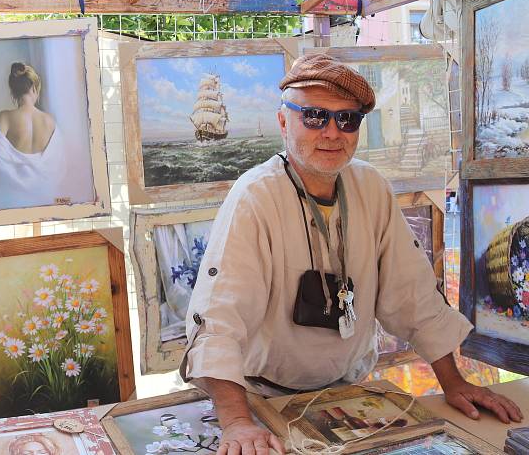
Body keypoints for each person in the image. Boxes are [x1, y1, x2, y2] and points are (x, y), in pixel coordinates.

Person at [178, 53, 524, 455]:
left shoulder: (370, 187)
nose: (332, 132)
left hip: (350, 393)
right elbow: (220, 316)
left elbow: (411, 292)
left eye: (348, 120)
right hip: (262, 399)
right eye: (314, 116)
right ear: (283, 121)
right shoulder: (254, 197)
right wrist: (238, 422)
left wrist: (454, 382)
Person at [0, 62, 67, 207]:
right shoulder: (49, 121)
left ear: (13, 92)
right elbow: (60, 164)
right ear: (34, 88)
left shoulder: (5, 117)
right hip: (44, 196)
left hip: (13, 199)